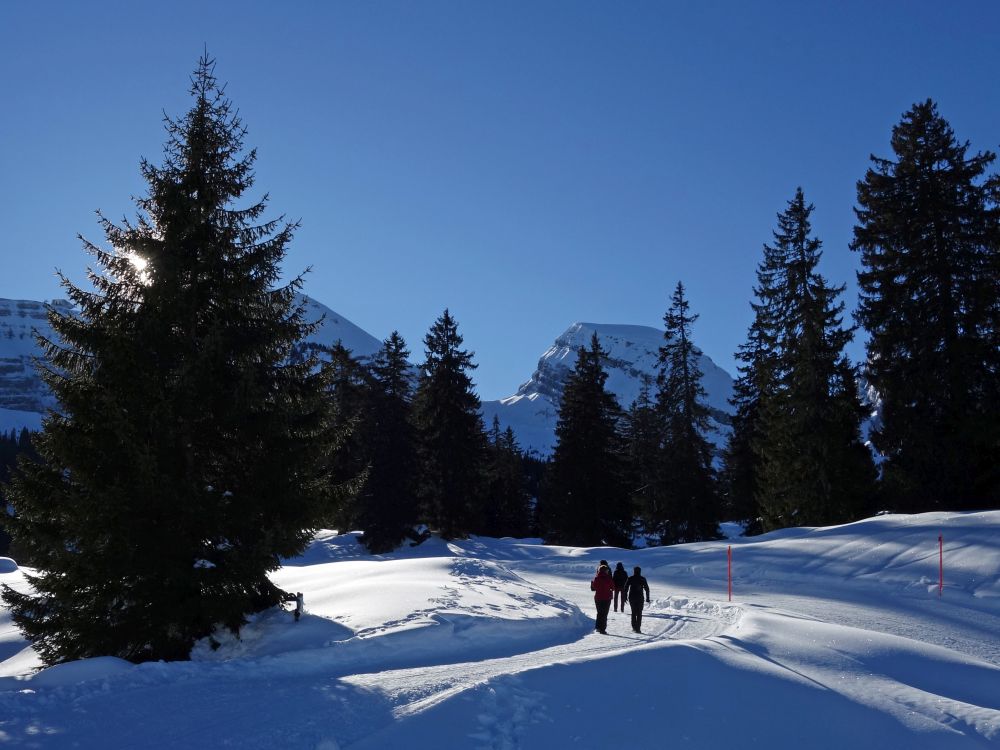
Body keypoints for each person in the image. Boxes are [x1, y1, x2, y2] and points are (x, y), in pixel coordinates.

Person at [623, 566, 650, 633]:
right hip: (640, 598)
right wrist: (647, 598)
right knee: (639, 613)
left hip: (632, 597)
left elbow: (625, 588)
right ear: (640, 571)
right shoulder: (642, 579)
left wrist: (625, 597)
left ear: (634, 571)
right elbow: (647, 589)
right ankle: (638, 628)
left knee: (633, 612)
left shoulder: (630, 578)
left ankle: (634, 627)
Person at [590, 563, 615, 634]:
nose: (608, 571)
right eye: (607, 570)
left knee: (599, 613)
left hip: (598, 597)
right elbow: (613, 587)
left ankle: (598, 627)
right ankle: (602, 629)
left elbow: (594, 588)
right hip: (606, 598)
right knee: (604, 614)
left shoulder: (596, 578)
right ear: (605, 571)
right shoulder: (608, 578)